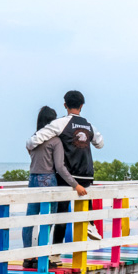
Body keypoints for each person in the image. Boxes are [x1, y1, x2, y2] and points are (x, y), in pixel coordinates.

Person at [27, 90, 104, 244]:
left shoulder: (60, 123)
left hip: (67, 176)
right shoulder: (89, 126)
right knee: (83, 200)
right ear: (82, 106)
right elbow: (100, 144)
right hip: (86, 175)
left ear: (65, 105)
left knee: (61, 214)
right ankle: (90, 224)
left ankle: (56, 251)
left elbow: (33, 141)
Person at [22, 106, 88, 269]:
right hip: (48, 180)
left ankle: (28, 257)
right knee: (48, 220)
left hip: (33, 179)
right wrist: (75, 184)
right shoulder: (55, 141)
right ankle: (43, 255)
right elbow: (59, 166)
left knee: (30, 218)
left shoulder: (33, 139)